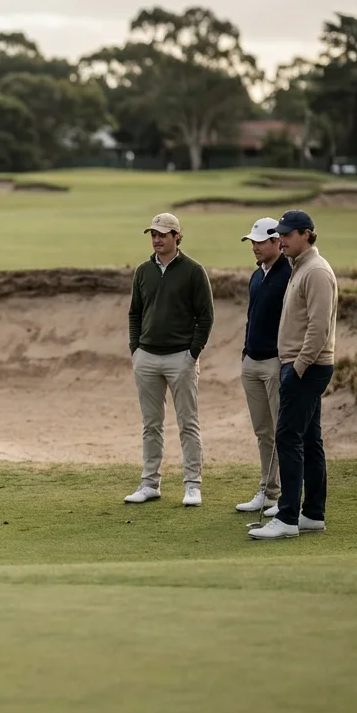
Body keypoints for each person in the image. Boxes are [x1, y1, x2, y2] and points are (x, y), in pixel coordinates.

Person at [249, 210, 338, 540]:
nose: (281, 239)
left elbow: (318, 328)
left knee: (288, 437)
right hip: (301, 365)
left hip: (308, 367)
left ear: (307, 234)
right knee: (310, 441)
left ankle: (287, 517)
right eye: (280, 234)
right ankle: (312, 513)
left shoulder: (316, 271)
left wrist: (297, 369)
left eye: (287, 234)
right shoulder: (300, 268)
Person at [125, 212, 215, 507]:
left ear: (177, 237)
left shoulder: (193, 270)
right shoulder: (142, 271)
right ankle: (150, 483)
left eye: (163, 234)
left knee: (188, 424)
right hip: (147, 357)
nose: (157, 239)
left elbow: (205, 316)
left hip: (181, 358)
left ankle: (192, 485)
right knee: (151, 425)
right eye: (153, 234)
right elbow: (135, 313)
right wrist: (135, 349)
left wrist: (193, 352)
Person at [235, 217, 291, 516]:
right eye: (252, 242)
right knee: (263, 432)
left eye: (260, 242)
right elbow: (251, 317)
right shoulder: (257, 275)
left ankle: (286, 496)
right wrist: (245, 351)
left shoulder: (289, 274)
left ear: (276, 242)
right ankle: (268, 491)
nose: (255, 247)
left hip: (275, 362)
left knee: (283, 432)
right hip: (252, 361)